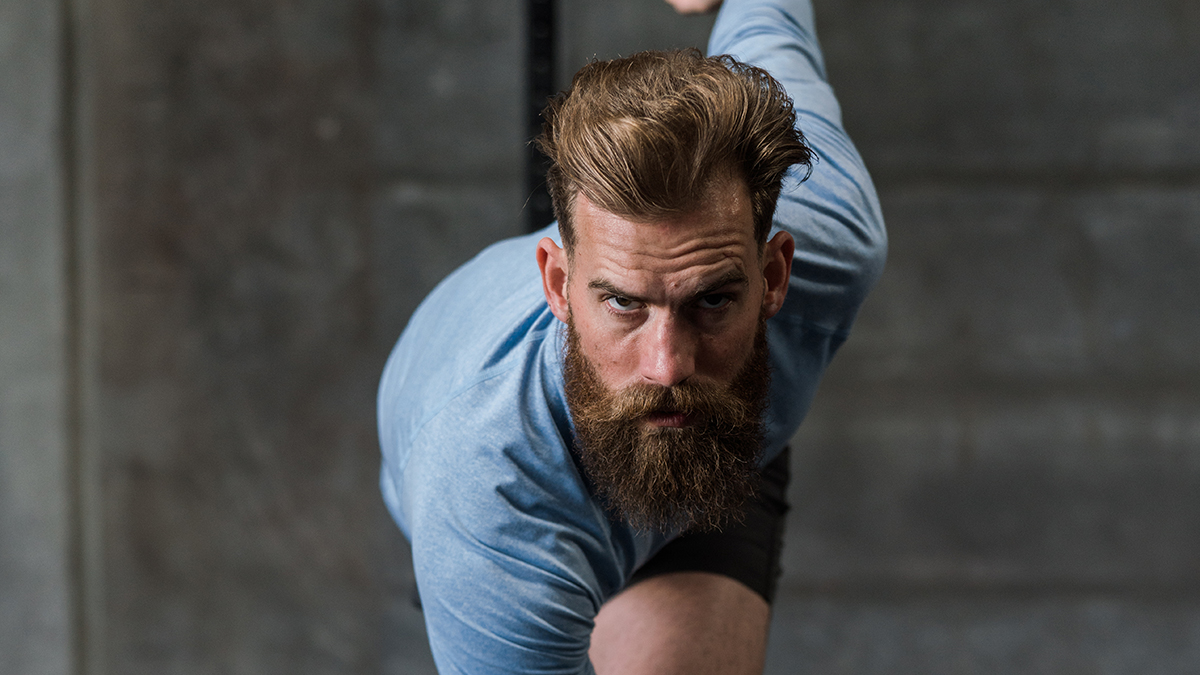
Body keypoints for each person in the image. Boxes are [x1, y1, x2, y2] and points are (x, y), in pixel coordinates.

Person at [377, 0, 886, 672]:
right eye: (622, 302)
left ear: (773, 274)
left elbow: (771, 23)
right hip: (526, 502)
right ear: (558, 285)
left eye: (712, 301)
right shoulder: (491, 497)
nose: (667, 363)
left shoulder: (836, 231)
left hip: (719, 434)